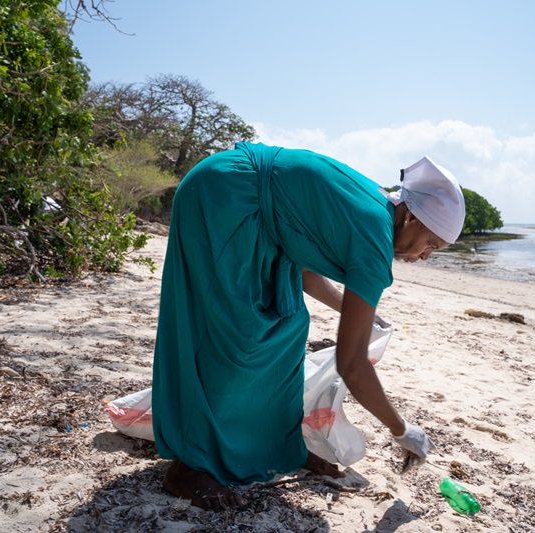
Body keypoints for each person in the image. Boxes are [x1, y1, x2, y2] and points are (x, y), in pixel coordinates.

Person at [152, 142, 466, 510]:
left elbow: (306, 269)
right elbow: (352, 364)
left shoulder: (380, 210)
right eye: (431, 243)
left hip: (264, 215)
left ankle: (281, 447)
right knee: (239, 334)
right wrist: (401, 430)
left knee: (289, 326)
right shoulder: (374, 240)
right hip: (225, 192)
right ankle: (188, 466)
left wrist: (357, 310)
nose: (426, 256)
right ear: (411, 218)